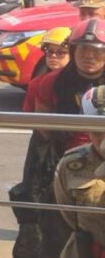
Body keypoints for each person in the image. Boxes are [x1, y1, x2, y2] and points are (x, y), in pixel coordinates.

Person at [34, 18, 105, 256]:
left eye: (98, 51)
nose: (89, 57)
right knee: (59, 235)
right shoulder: (50, 84)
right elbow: (42, 133)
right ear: (73, 51)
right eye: (83, 50)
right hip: (67, 170)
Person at [11, 26, 72, 258]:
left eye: (60, 52)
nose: (53, 57)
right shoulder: (40, 83)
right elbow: (37, 124)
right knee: (38, 208)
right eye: (49, 52)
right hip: (44, 153)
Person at [54, 85, 105, 257]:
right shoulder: (72, 163)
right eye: (97, 130)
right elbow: (68, 213)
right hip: (88, 249)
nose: (103, 136)